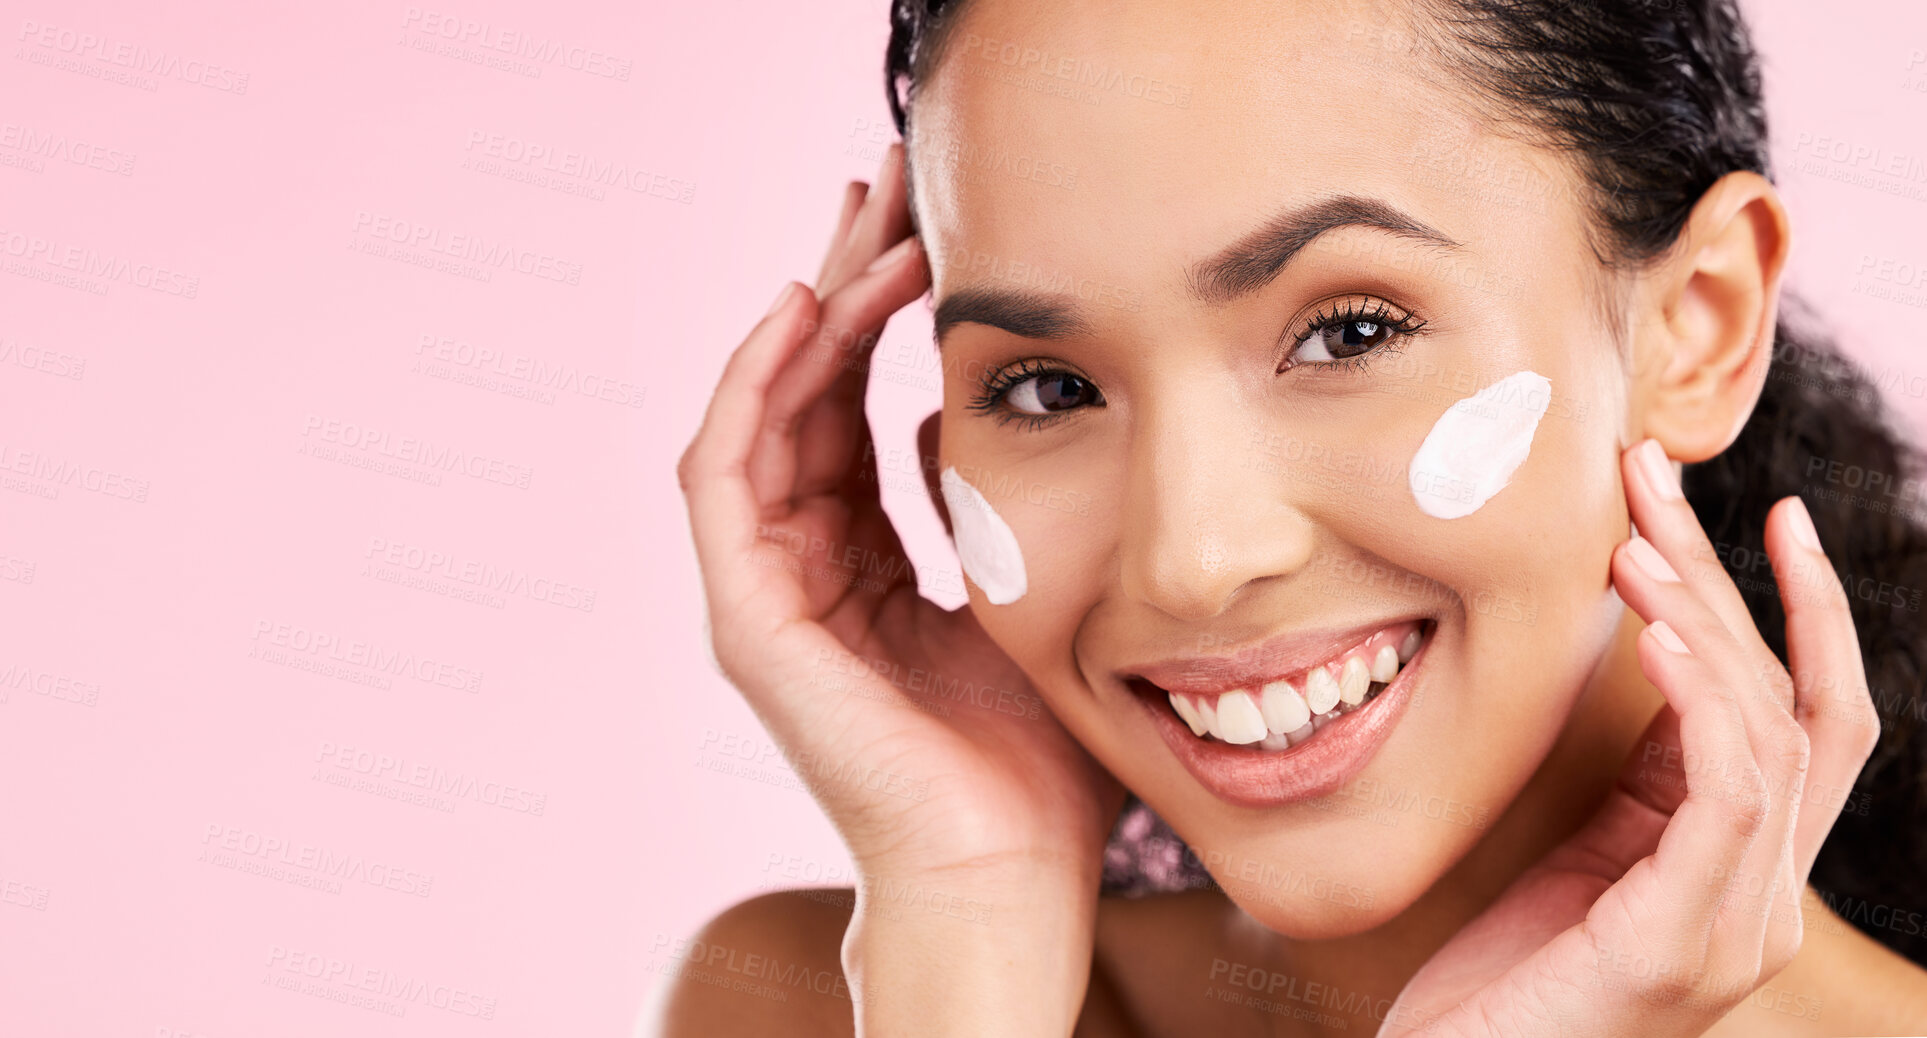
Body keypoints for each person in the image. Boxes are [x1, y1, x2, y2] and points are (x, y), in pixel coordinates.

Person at [662, 0, 1927, 1032]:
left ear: (1693, 326)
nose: (1194, 560)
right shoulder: (833, 1005)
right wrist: (968, 916)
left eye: (1349, 332)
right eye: (1048, 387)